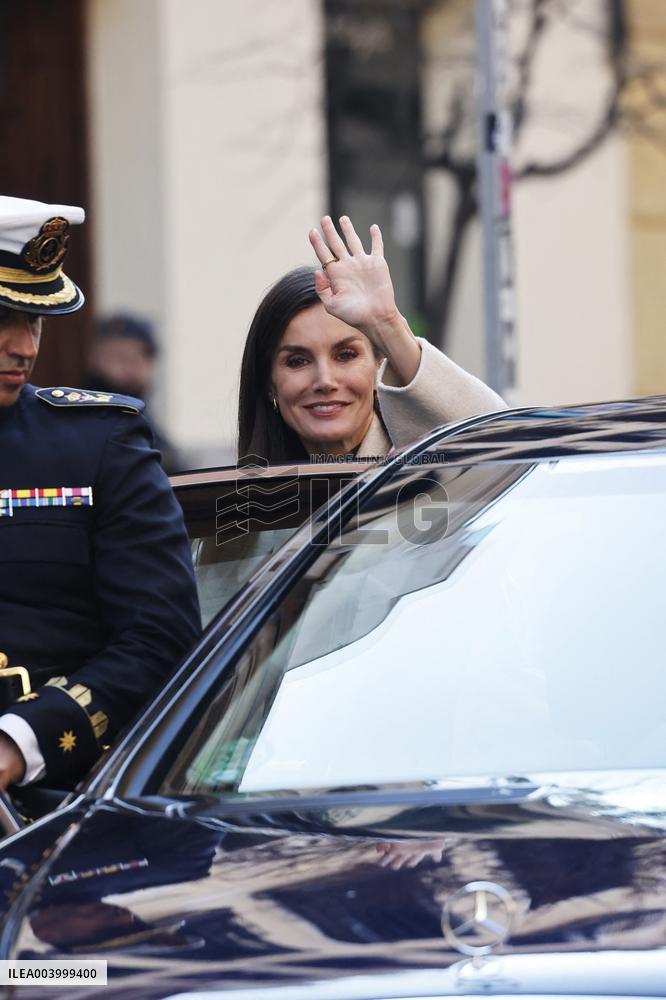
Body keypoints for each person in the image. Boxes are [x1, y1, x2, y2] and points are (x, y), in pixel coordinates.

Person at [0, 196, 201, 791]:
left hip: (49, 804)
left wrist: (17, 746)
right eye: (1, 318)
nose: (25, 347)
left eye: (33, 320)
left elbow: (160, 638)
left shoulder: (99, 442)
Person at [238, 215, 506, 463]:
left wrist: (388, 324)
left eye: (346, 355)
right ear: (269, 383)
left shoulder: (426, 466)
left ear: (378, 367)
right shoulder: (240, 504)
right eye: (297, 361)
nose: (325, 381)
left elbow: (505, 442)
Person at [81, 313, 181, 473]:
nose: (131, 367)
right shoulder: (82, 416)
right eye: (120, 356)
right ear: (94, 358)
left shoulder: (143, 416)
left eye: (140, 357)